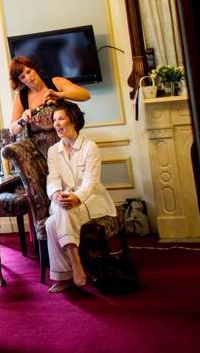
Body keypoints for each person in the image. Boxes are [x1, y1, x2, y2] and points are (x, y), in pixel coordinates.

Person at [44, 100, 116, 293]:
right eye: (54, 120)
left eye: (61, 118)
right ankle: (64, 275)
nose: (56, 123)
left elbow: (91, 182)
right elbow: (52, 178)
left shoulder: (90, 147)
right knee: (51, 223)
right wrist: (55, 194)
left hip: (91, 199)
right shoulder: (53, 151)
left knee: (61, 214)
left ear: (73, 121)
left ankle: (75, 264)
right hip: (65, 201)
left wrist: (77, 197)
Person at [8, 56, 90, 153]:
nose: (28, 77)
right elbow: (12, 129)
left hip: (65, 142)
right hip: (38, 150)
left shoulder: (56, 82)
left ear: (34, 68)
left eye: (28, 71)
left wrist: (59, 95)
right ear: (19, 80)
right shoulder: (20, 97)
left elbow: (86, 95)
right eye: (22, 77)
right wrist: (22, 120)